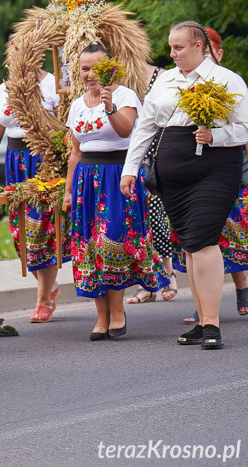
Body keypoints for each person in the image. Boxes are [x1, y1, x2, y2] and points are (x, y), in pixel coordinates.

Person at [121, 21, 248, 349]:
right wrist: (129, 169)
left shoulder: (225, 80)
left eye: (179, 47)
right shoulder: (165, 82)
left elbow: (245, 127)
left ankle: (212, 326)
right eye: (171, 47)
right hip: (172, 175)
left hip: (214, 169)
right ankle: (203, 320)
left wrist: (216, 135)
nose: (173, 53)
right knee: (190, 244)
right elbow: (145, 128)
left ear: (199, 46)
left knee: (204, 240)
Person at [62, 43, 168, 340]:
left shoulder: (124, 95)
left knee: (114, 239)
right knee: (90, 243)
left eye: (97, 67)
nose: (90, 74)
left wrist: (109, 107)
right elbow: (75, 151)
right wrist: (69, 191)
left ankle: (118, 311)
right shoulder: (77, 103)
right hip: (87, 178)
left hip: (119, 175)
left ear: (112, 68)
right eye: (84, 68)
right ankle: (100, 315)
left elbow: (125, 131)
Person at [172, 29, 248, 322]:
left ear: (217, 52)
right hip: (191, 171)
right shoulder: (180, 82)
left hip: (229, 167)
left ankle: (241, 288)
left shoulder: (229, 81)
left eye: (214, 50)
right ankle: (204, 305)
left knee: (233, 231)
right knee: (201, 237)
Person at [0, 68, 67, 322]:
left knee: (41, 230)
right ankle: (50, 288)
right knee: (20, 232)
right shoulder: (4, 88)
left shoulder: (54, 84)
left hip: (43, 162)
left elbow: (65, 130)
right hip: (14, 163)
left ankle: (43, 300)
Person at [126, 62, 178, 304]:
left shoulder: (161, 76)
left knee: (156, 216)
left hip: (155, 152)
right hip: (129, 154)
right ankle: (146, 281)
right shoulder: (114, 77)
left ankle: (168, 273)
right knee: (137, 220)